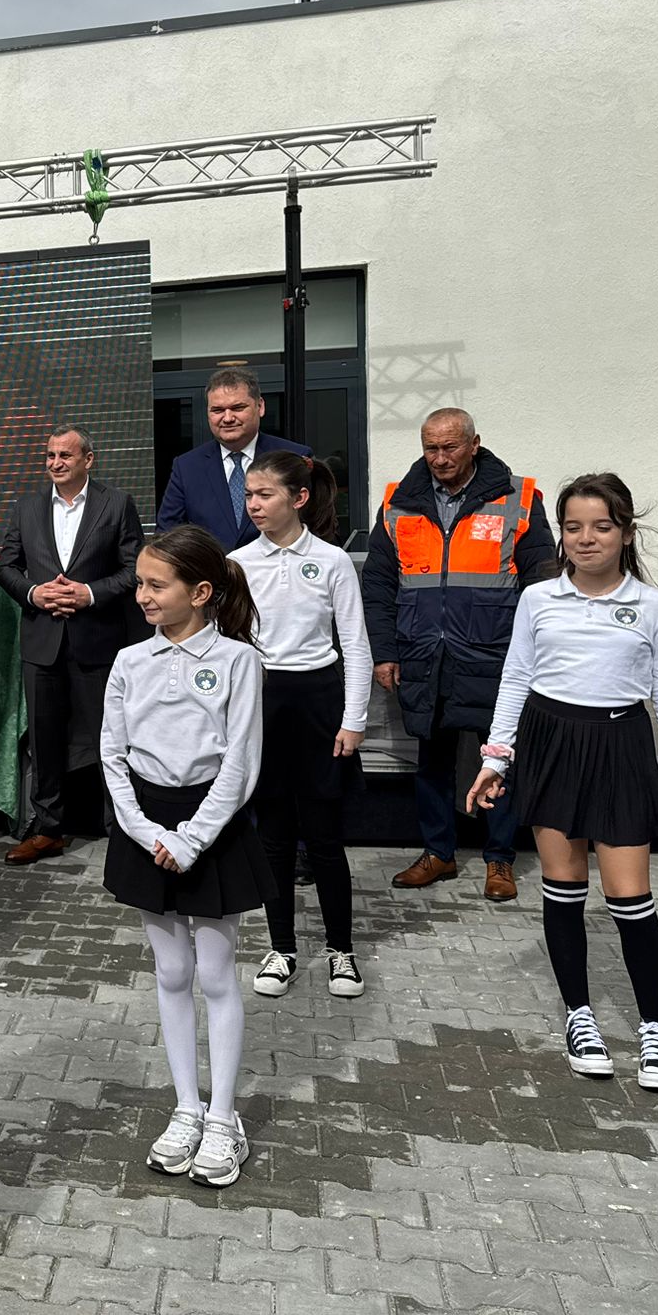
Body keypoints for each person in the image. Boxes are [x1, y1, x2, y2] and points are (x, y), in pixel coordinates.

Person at [466, 473, 658, 1090]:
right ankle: (579, 1015)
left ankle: (655, 1028)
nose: (586, 538)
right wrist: (496, 759)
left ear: (625, 533)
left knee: (631, 898)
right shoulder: (537, 599)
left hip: (621, 747)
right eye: (573, 527)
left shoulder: (653, 606)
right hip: (550, 744)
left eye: (602, 526)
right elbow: (516, 679)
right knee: (564, 888)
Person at [102, 525, 269, 1188]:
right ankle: (185, 1108)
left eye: (156, 584)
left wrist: (193, 838)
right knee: (171, 971)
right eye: (140, 583)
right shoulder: (128, 661)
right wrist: (146, 832)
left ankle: (223, 1119)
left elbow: (242, 762)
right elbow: (113, 756)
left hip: (213, 824)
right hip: (146, 826)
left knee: (217, 975)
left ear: (200, 593)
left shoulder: (238, 661)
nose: (142, 595)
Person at [362, 408, 554, 901]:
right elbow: (378, 585)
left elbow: (542, 582)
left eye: (450, 447)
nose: (440, 458)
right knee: (431, 759)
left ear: (474, 444)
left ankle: (500, 858)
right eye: (431, 448)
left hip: (496, 653)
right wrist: (385, 652)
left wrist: (537, 653)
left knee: (500, 755)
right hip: (423, 651)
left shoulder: (518, 497)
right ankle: (438, 853)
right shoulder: (398, 501)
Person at [231, 453, 371, 1000]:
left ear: (300, 498)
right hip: (262, 703)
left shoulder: (333, 561)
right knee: (273, 839)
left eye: (265, 494)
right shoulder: (236, 562)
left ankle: (342, 951)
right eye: (249, 495)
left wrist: (353, 719)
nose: (255, 504)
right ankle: (282, 948)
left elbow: (354, 644)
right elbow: (227, 646)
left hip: (319, 704)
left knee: (326, 838)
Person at [0, 426, 145, 863]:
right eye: (50, 456)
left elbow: (135, 568)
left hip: (98, 642)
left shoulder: (116, 503)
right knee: (44, 743)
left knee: (110, 741)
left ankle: (123, 831)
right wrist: (34, 593)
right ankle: (48, 831)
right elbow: (6, 567)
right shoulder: (26, 507)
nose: (56, 463)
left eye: (65, 455)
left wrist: (89, 594)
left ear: (88, 460)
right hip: (42, 642)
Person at [154, 368, 310, 547]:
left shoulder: (294, 457)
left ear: (260, 407)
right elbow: (167, 535)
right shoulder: (187, 467)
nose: (227, 418)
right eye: (217, 410)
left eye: (238, 408)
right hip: (212, 565)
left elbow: (319, 525)